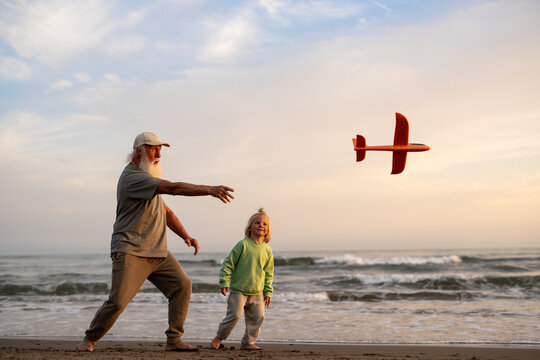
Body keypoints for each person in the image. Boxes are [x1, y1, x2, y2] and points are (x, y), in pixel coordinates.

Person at [76, 132, 234, 352]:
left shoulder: (147, 180)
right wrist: (209, 190)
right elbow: (174, 188)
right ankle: (89, 339)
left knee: (182, 285)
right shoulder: (132, 178)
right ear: (138, 150)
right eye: (153, 148)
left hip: (158, 252)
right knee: (118, 301)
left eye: (160, 149)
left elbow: (166, 211)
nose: (158, 153)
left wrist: (185, 236)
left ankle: (174, 339)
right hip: (131, 249)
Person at [211, 208, 274, 351]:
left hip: (257, 292)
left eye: (264, 224)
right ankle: (219, 337)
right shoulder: (243, 245)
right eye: (257, 222)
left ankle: (248, 343)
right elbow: (229, 263)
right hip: (239, 290)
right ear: (250, 227)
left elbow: (269, 273)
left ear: (267, 230)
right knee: (234, 315)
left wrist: (268, 291)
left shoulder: (267, 250)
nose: (261, 226)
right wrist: (224, 281)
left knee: (258, 318)